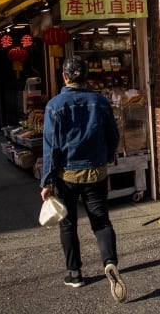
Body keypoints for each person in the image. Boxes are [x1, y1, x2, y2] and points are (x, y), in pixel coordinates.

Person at [39, 55, 127, 303]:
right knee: (101, 222)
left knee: (68, 224)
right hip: (96, 172)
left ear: (65, 77)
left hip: (66, 175)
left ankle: (74, 273)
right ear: (86, 76)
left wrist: (46, 181)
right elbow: (113, 133)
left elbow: (50, 146)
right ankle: (109, 262)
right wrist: (108, 156)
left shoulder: (54, 105)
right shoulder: (100, 102)